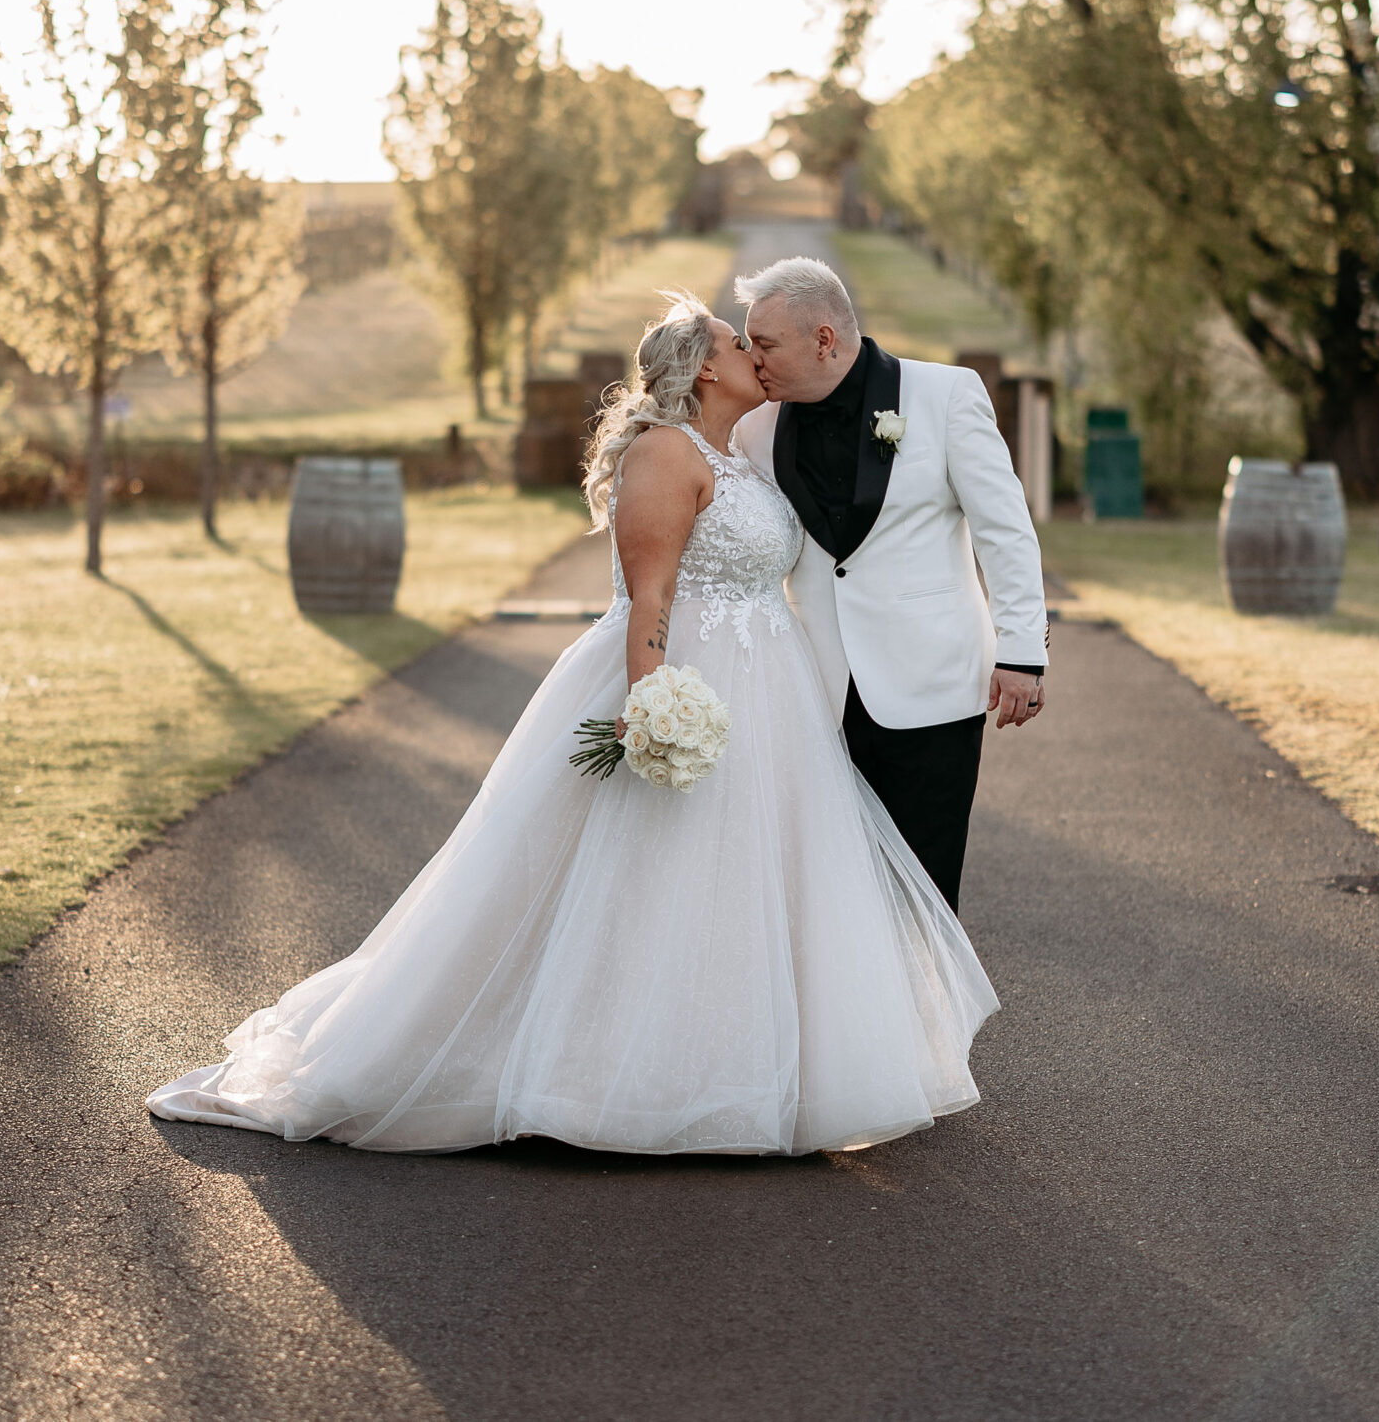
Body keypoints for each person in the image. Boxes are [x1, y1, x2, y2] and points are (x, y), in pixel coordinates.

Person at [146, 293, 996, 1156]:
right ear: (706, 367)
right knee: (651, 876)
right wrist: (653, 708)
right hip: (685, 684)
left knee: (748, 886)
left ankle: (739, 1071)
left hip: (770, 699)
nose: (755, 351)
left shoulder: (740, 453)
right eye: (738, 341)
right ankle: (597, 1078)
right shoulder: (665, 453)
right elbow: (649, 596)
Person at [733, 257, 1048, 913]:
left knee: (925, 893)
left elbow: (1005, 530)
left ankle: (932, 989)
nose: (752, 359)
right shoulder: (755, 430)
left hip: (933, 686)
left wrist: (1021, 652)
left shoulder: (946, 395)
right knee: (834, 896)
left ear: (823, 339)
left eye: (765, 344)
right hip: (815, 694)